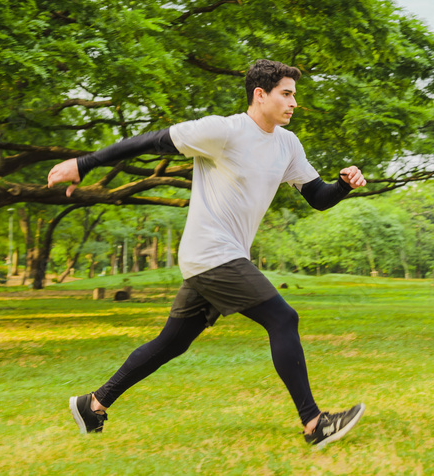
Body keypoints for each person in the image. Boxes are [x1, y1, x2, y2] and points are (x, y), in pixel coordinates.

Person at [47, 59, 366, 448]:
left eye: (294, 95)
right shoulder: (223, 130)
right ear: (260, 94)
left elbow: (317, 197)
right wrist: (83, 163)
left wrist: (343, 185)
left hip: (220, 258)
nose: (293, 102)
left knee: (172, 343)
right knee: (283, 318)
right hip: (212, 254)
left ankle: (92, 403)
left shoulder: (287, 144)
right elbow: (152, 141)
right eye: (286, 93)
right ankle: (314, 423)